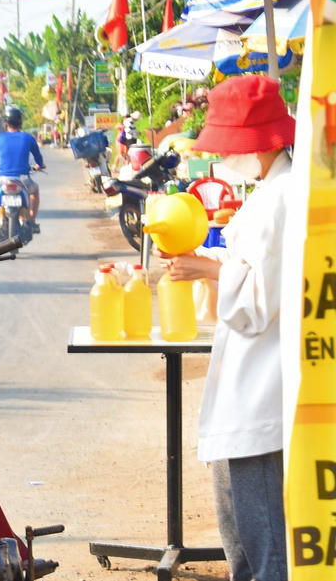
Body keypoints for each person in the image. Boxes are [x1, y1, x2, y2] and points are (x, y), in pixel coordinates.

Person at [157, 75, 293, 581]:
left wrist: (209, 270)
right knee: (246, 548)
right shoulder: (269, 192)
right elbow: (255, 270)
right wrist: (209, 259)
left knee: (265, 557)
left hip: (262, 395)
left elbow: (260, 302)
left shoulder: (282, 197)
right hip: (248, 392)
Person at [0, 105, 45, 233]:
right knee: (35, 191)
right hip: (23, 179)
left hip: (3, 180)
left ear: (6, 123)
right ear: (20, 122)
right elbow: (38, 158)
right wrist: (39, 165)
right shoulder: (28, 138)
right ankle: (32, 221)